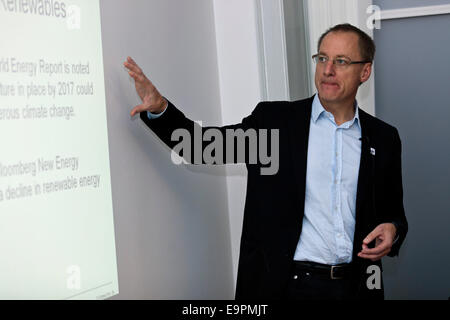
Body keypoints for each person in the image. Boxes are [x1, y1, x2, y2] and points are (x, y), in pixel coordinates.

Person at [123, 23, 408, 300]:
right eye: (322, 58)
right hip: (286, 287)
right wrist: (160, 109)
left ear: (365, 71)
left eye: (341, 61)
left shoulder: (383, 139)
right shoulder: (276, 124)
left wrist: (392, 230)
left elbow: (393, 214)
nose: (328, 69)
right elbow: (200, 147)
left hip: (356, 287)